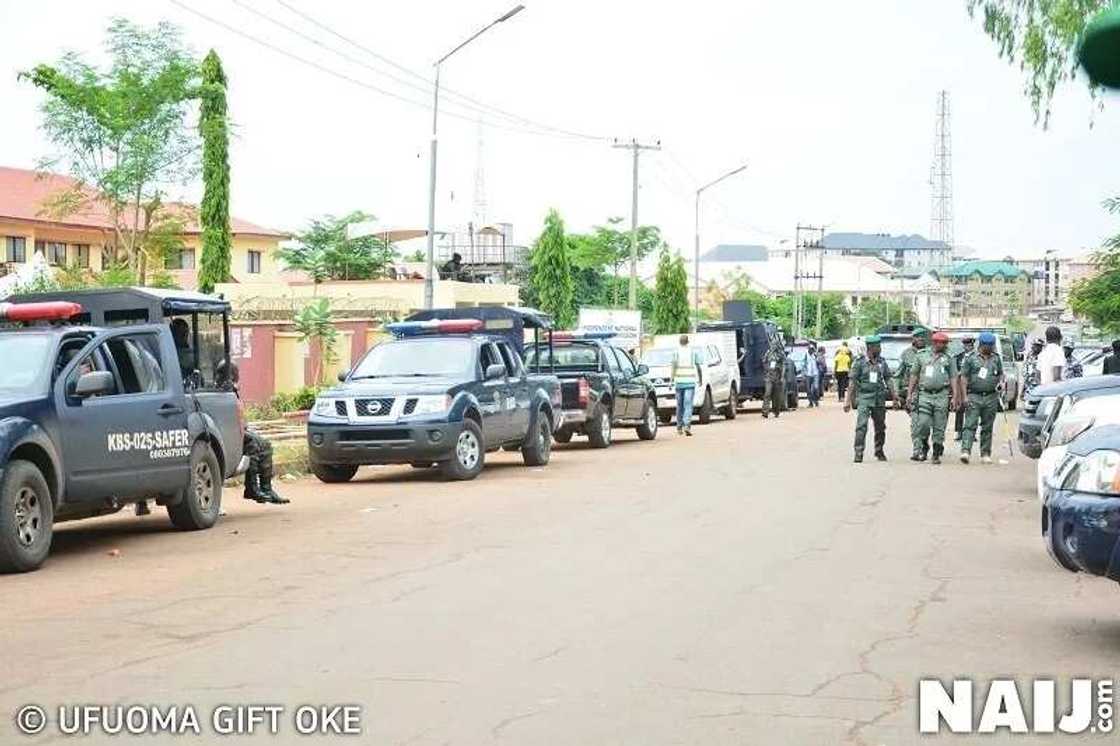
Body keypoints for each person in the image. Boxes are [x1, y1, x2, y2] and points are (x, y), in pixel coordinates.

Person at [907, 330, 961, 465]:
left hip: (942, 395)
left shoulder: (949, 358)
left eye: (945, 343)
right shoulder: (921, 356)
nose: (943, 345)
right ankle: (924, 445)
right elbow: (914, 375)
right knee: (923, 424)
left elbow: (954, 377)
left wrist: (955, 396)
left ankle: (936, 453)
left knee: (939, 426)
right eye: (941, 343)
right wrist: (909, 394)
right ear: (934, 343)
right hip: (924, 394)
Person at [845, 335, 893, 462]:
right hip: (864, 398)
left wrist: (895, 395)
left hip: (879, 398)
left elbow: (888, 378)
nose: (880, 349)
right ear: (871, 348)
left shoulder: (882, 362)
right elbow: (852, 383)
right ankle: (858, 452)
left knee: (880, 427)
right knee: (861, 426)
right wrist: (847, 401)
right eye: (878, 346)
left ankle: (879, 450)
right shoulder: (859, 362)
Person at [959, 331, 1005, 465]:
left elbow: (1001, 374)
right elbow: (964, 378)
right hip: (974, 395)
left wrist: (1001, 383)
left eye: (992, 345)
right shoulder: (971, 358)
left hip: (991, 396)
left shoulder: (996, 358)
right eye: (988, 345)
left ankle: (985, 454)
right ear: (981, 344)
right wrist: (964, 396)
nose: (990, 348)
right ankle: (966, 451)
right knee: (970, 425)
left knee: (987, 426)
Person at [670, 334, 701, 435]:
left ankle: (679, 427)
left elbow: (673, 367)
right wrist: (700, 379)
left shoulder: (676, 352)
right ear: (688, 342)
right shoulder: (693, 352)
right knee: (688, 405)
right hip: (690, 382)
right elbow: (698, 366)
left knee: (680, 405)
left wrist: (671, 380)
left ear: (680, 342)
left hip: (679, 382)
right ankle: (687, 425)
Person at [953, 336, 976, 442]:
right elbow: (955, 372)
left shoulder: (977, 357)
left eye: (969, 345)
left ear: (972, 345)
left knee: (972, 411)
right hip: (960, 387)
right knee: (959, 409)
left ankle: (972, 432)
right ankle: (959, 432)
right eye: (965, 345)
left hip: (972, 387)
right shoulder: (959, 357)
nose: (967, 347)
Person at [761, 333, 786, 419]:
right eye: (772, 344)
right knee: (767, 393)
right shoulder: (768, 353)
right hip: (769, 376)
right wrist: (766, 369)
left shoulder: (780, 354)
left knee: (776, 395)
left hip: (777, 376)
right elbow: (764, 361)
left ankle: (776, 411)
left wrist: (782, 376)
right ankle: (765, 412)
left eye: (775, 344)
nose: (773, 346)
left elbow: (783, 365)